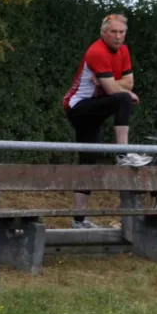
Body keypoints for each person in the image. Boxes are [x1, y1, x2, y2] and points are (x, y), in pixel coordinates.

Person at [62, 14, 152, 229]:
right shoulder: (96, 51)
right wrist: (115, 87)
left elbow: (128, 82)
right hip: (78, 107)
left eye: (121, 32)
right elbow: (116, 90)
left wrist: (108, 84)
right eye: (113, 32)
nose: (118, 36)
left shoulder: (124, 51)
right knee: (123, 99)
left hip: (96, 105)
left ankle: (79, 219)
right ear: (103, 33)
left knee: (88, 163)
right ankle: (123, 153)